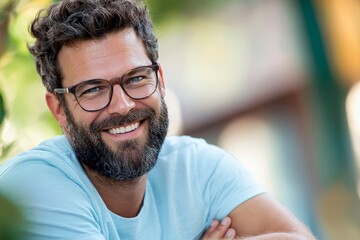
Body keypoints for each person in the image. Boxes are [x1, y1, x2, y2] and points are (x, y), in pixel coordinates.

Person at [0, 0, 316, 239]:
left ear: (160, 80)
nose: (122, 105)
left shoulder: (197, 167)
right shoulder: (32, 186)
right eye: (93, 89)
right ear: (59, 109)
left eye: (136, 78)